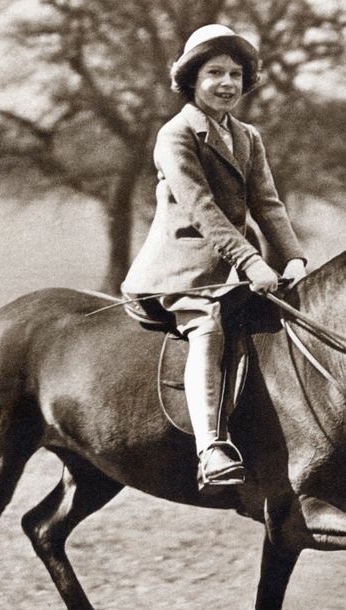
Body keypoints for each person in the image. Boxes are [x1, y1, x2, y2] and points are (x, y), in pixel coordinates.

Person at [120, 24, 307, 490]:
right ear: (191, 80)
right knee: (207, 326)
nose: (227, 83)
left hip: (238, 268)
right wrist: (251, 262)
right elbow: (202, 209)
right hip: (180, 272)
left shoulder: (247, 136)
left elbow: (267, 204)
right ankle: (211, 448)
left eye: (236, 74)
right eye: (214, 73)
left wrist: (293, 259)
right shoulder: (175, 134)